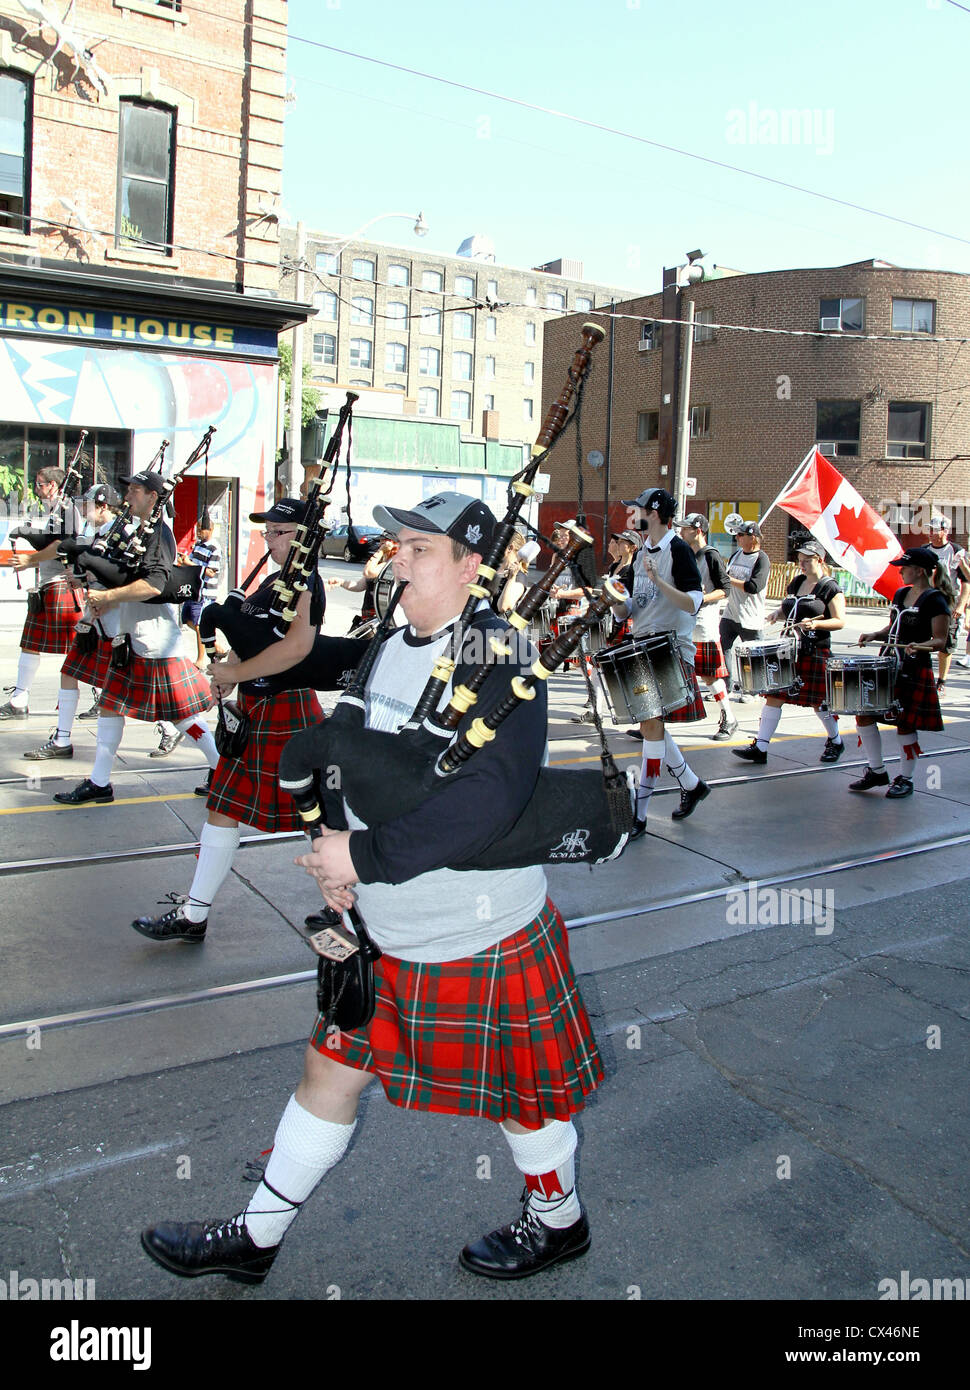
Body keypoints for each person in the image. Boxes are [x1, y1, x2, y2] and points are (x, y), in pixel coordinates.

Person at [140, 491, 602, 1284]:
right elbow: (340, 721)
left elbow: (486, 801)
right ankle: (256, 1239)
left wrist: (363, 858)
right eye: (400, 546)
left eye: (423, 548)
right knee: (328, 1070)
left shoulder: (501, 656)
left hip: (476, 930)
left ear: (471, 567)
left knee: (525, 1097)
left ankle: (558, 1222)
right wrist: (331, 842)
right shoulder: (390, 642)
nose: (401, 559)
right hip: (381, 927)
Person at [131, 499, 333, 943]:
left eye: (279, 532)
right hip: (257, 706)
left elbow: (297, 648)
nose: (270, 540)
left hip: (288, 706)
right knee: (222, 808)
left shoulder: (306, 584)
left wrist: (236, 673)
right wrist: (228, 676)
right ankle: (194, 915)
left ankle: (348, 902)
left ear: (303, 537)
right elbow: (257, 640)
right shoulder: (276, 581)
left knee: (318, 816)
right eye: (268, 532)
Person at [52, 471, 218, 806]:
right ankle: (100, 783)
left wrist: (110, 597)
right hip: (131, 639)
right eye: (129, 489)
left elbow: (153, 585)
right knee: (111, 708)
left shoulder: (159, 534)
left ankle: (222, 768)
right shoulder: (139, 531)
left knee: (184, 717)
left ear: (154, 497)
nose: (128, 495)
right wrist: (92, 581)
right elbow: (123, 575)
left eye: (136, 490)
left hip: (154, 642)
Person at [611, 487, 710, 834]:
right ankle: (692, 784)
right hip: (643, 647)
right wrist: (614, 600)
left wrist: (657, 580)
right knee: (651, 728)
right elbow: (629, 612)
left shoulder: (678, 550)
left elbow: (693, 603)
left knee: (651, 729)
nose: (630, 513)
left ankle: (639, 814)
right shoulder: (639, 555)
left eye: (635, 508)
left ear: (652, 512)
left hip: (669, 649)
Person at [22, 484, 119, 761]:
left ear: (102, 506)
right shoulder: (93, 532)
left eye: (88, 505)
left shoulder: (120, 533)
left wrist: (92, 581)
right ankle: (62, 739)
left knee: (142, 693)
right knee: (69, 672)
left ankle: (174, 729)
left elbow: (128, 578)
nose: (83, 510)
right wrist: (80, 576)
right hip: (94, 620)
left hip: (118, 624)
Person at [732, 540, 846, 766]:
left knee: (818, 702)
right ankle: (761, 747)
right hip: (789, 650)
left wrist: (817, 625)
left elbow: (840, 621)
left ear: (820, 560)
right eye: (799, 561)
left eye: (806, 561)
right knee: (774, 696)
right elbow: (790, 609)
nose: (801, 564)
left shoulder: (829, 587)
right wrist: (778, 613)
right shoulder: (797, 582)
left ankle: (836, 740)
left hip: (815, 651)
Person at [848, 547, 949, 799]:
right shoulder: (901, 593)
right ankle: (876, 771)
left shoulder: (935, 599)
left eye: (904, 567)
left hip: (914, 669)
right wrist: (876, 635)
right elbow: (894, 626)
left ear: (920, 570)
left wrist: (921, 646)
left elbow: (940, 640)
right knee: (864, 714)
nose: (900, 570)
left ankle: (906, 778)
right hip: (888, 666)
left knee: (904, 724)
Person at [0, 467, 83, 720]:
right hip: (50, 583)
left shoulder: (67, 510)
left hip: (62, 585)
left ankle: (99, 697)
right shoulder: (56, 511)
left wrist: (30, 560)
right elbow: (49, 542)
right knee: (30, 645)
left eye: (40, 485)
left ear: (55, 486)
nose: (37, 490)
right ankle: (19, 699)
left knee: (78, 648)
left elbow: (61, 546)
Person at [677, 512, 738, 740]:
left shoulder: (711, 556)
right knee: (676, 673)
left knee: (710, 676)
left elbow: (725, 589)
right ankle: (654, 726)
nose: (682, 532)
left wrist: (702, 599)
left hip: (703, 624)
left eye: (686, 528)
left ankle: (729, 718)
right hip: (682, 622)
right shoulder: (683, 555)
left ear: (698, 530)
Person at [719, 521, 770, 704]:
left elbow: (754, 586)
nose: (737, 538)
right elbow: (726, 578)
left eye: (741, 535)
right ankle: (725, 685)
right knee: (723, 647)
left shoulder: (761, 559)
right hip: (731, 611)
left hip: (750, 615)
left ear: (753, 538)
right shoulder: (736, 555)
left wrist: (729, 579)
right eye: (737, 535)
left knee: (751, 654)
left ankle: (752, 689)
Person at [925, 514, 970, 692]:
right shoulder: (925, 550)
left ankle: (941, 681)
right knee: (922, 638)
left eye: (933, 530)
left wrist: (960, 606)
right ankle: (925, 676)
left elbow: (966, 581)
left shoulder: (955, 550)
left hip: (947, 601)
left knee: (945, 643)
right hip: (927, 598)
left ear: (944, 531)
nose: (929, 533)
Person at [326, 533, 398, 632]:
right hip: (368, 616)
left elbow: (368, 572)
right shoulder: (381, 563)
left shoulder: (392, 564)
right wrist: (341, 582)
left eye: (384, 541)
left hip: (379, 618)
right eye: (380, 541)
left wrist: (380, 551)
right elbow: (360, 585)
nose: (380, 544)